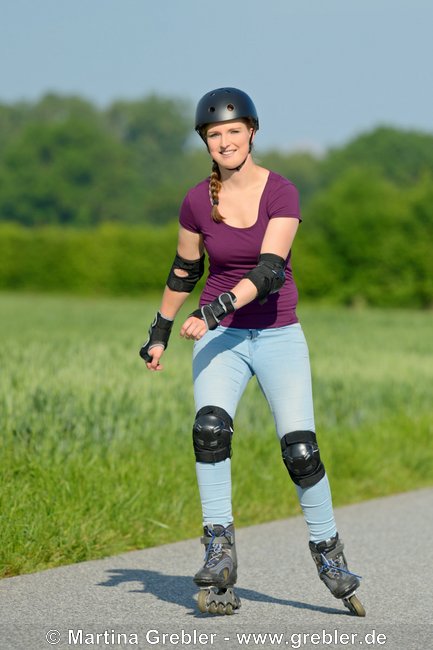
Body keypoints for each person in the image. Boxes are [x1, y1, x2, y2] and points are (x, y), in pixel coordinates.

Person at [140, 87, 365, 617]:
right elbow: (184, 270)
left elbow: (269, 272)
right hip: (222, 338)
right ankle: (219, 551)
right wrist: (159, 330)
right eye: (214, 134)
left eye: (232, 131)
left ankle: (329, 552)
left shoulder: (280, 191)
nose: (224, 141)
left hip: (277, 332)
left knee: (300, 451)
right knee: (210, 429)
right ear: (206, 141)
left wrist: (213, 312)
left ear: (252, 133)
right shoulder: (197, 200)